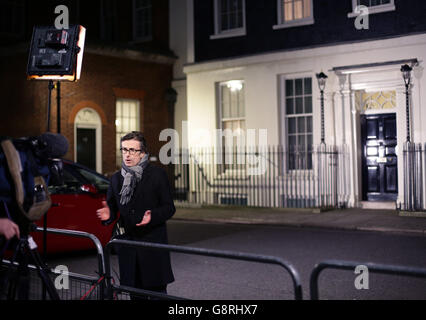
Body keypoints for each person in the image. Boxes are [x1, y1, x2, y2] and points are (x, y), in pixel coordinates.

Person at [96, 131, 175, 299]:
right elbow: (113, 209)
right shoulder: (116, 179)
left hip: (152, 247)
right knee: (135, 295)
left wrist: (152, 216)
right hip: (129, 250)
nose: (127, 154)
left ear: (143, 153)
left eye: (133, 150)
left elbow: (169, 208)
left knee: (157, 295)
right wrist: (108, 214)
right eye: (124, 150)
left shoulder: (157, 175)